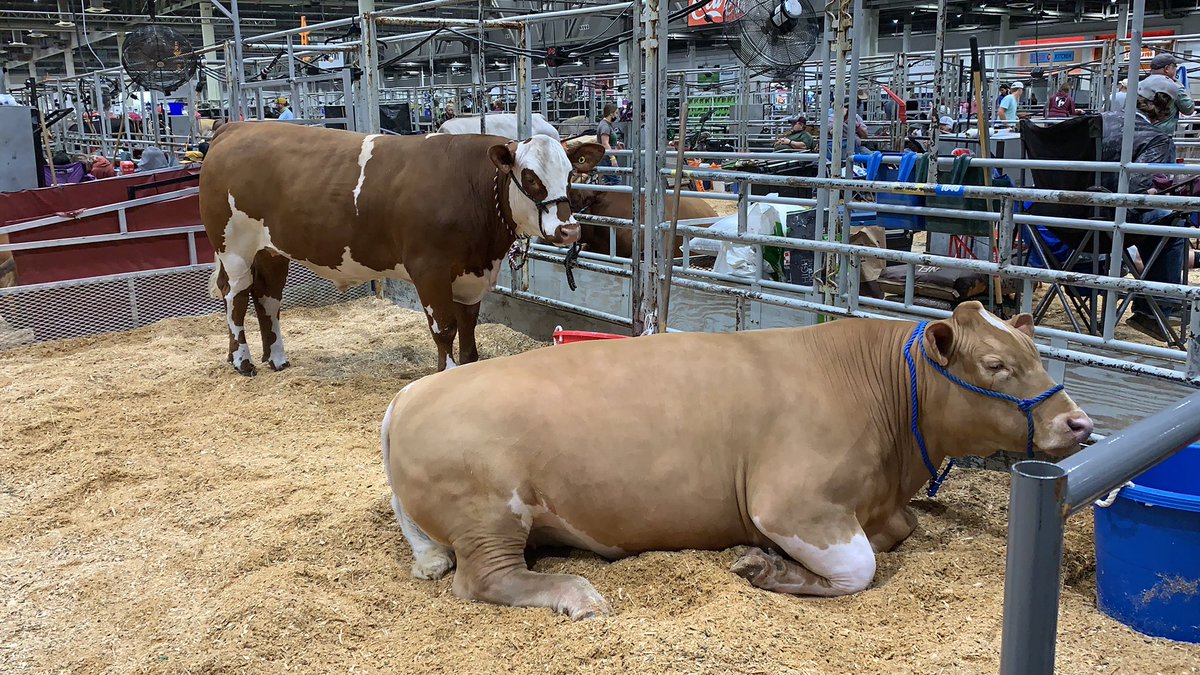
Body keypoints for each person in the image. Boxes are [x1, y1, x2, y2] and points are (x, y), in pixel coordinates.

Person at [1097, 77, 1187, 341]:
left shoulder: (1097, 121)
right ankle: (1154, 309)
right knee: (1174, 227)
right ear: (1165, 107)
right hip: (1113, 222)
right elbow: (1135, 194)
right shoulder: (1157, 139)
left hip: (1066, 222)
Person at [1145, 54, 1195, 136]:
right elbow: (1188, 109)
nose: (1176, 70)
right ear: (1167, 69)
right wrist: (1180, 85)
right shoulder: (1174, 86)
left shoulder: (1140, 84)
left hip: (1139, 135)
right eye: (1175, 67)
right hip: (1161, 137)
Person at [596, 102, 621, 185]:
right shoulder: (605, 126)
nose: (617, 116)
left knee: (610, 180)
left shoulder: (607, 125)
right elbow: (605, 143)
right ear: (611, 114)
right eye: (616, 113)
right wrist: (612, 158)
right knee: (615, 180)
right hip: (606, 158)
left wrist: (616, 143)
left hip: (606, 157)